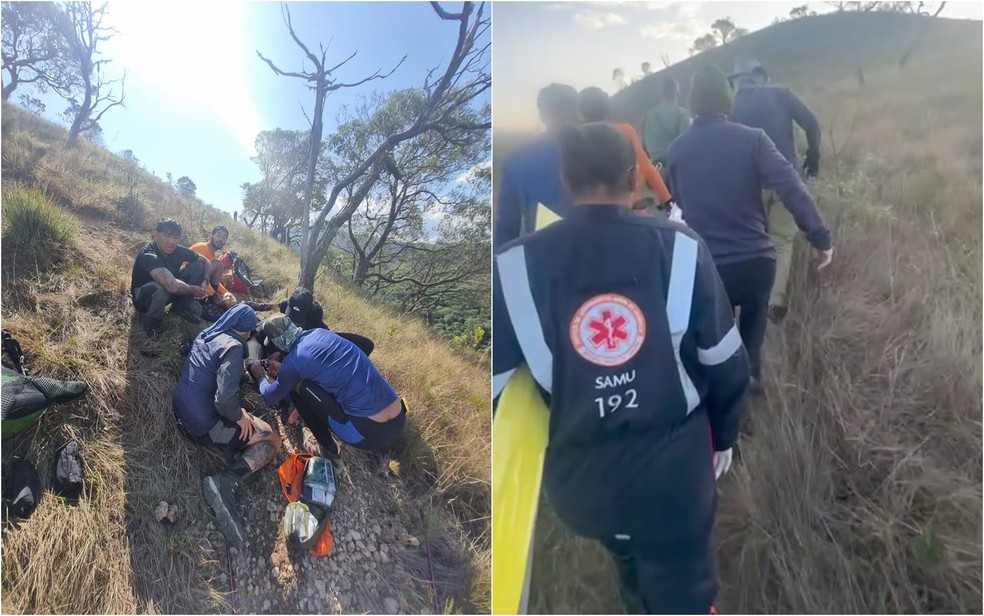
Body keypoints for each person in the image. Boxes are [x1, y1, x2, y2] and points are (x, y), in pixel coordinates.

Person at [492, 122, 750, 614]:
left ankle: (637, 586)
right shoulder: (682, 246)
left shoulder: (511, 268)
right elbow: (724, 360)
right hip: (675, 481)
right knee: (683, 592)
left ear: (566, 182)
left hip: (582, 492)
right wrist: (727, 434)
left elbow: (498, 388)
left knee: (628, 551)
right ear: (634, 180)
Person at [666, 65, 833, 394]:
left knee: (718, 347)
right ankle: (752, 383)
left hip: (710, 268)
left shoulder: (677, 150)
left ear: (692, 103)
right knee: (752, 342)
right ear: (727, 101)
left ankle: (725, 420)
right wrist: (820, 237)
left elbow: (682, 203)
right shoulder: (753, 139)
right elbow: (791, 187)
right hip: (757, 263)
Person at [171, 304, 282, 546]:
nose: (251, 336)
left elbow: (215, 373)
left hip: (180, 408)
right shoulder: (233, 347)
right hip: (200, 426)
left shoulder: (208, 333)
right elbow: (223, 400)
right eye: (250, 332)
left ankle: (235, 445)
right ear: (245, 331)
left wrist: (245, 377)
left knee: (247, 424)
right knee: (272, 438)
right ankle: (226, 482)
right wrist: (239, 417)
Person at [729, 58, 821, 321]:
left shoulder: (731, 107)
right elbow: (812, 124)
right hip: (784, 181)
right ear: (761, 78)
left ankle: (746, 302)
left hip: (747, 187)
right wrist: (813, 160)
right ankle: (775, 302)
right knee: (781, 240)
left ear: (737, 82)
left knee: (752, 240)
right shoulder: (782, 95)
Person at [249, 314, 406, 462]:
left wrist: (261, 377)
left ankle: (329, 452)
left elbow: (270, 397)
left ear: (277, 343)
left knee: (297, 387)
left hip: (366, 434)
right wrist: (286, 367)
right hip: (399, 418)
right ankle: (382, 447)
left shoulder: (293, 363)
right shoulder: (320, 333)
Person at [494, 83, 581, 249]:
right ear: (577, 112)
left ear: (542, 115)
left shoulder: (519, 158)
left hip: (544, 256)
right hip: (602, 255)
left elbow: (506, 227)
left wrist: (504, 269)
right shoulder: (602, 148)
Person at [577, 86, 674, 214]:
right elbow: (646, 167)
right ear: (607, 108)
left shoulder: (575, 138)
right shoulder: (624, 131)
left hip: (588, 211)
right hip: (628, 207)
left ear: (581, 112)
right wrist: (667, 200)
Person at [130, 218, 211, 341]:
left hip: (170, 289)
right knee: (162, 287)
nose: (172, 241)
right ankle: (151, 320)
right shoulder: (149, 254)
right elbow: (171, 285)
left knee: (198, 267)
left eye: (175, 237)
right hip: (143, 297)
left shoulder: (178, 250)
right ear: (156, 234)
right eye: (167, 236)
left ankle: (180, 308)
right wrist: (193, 289)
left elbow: (206, 261)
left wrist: (205, 280)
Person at [643, 77, 691, 174]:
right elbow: (686, 144)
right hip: (676, 167)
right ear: (677, 93)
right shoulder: (682, 113)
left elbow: (644, 143)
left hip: (655, 169)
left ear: (662, 94)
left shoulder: (650, 115)